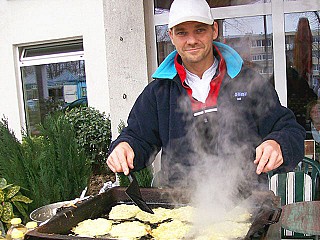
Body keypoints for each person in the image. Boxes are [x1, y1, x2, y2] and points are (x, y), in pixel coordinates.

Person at [107, 0, 305, 190]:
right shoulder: (158, 92)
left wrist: (277, 143)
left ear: (214, 30)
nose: (192, 40)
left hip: (247, 203)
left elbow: (288, 129)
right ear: (171, 36)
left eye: (199, 30)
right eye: (182, 32)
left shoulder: (248, 81)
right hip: (179, 206)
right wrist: (125, 147)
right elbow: (138, 137)